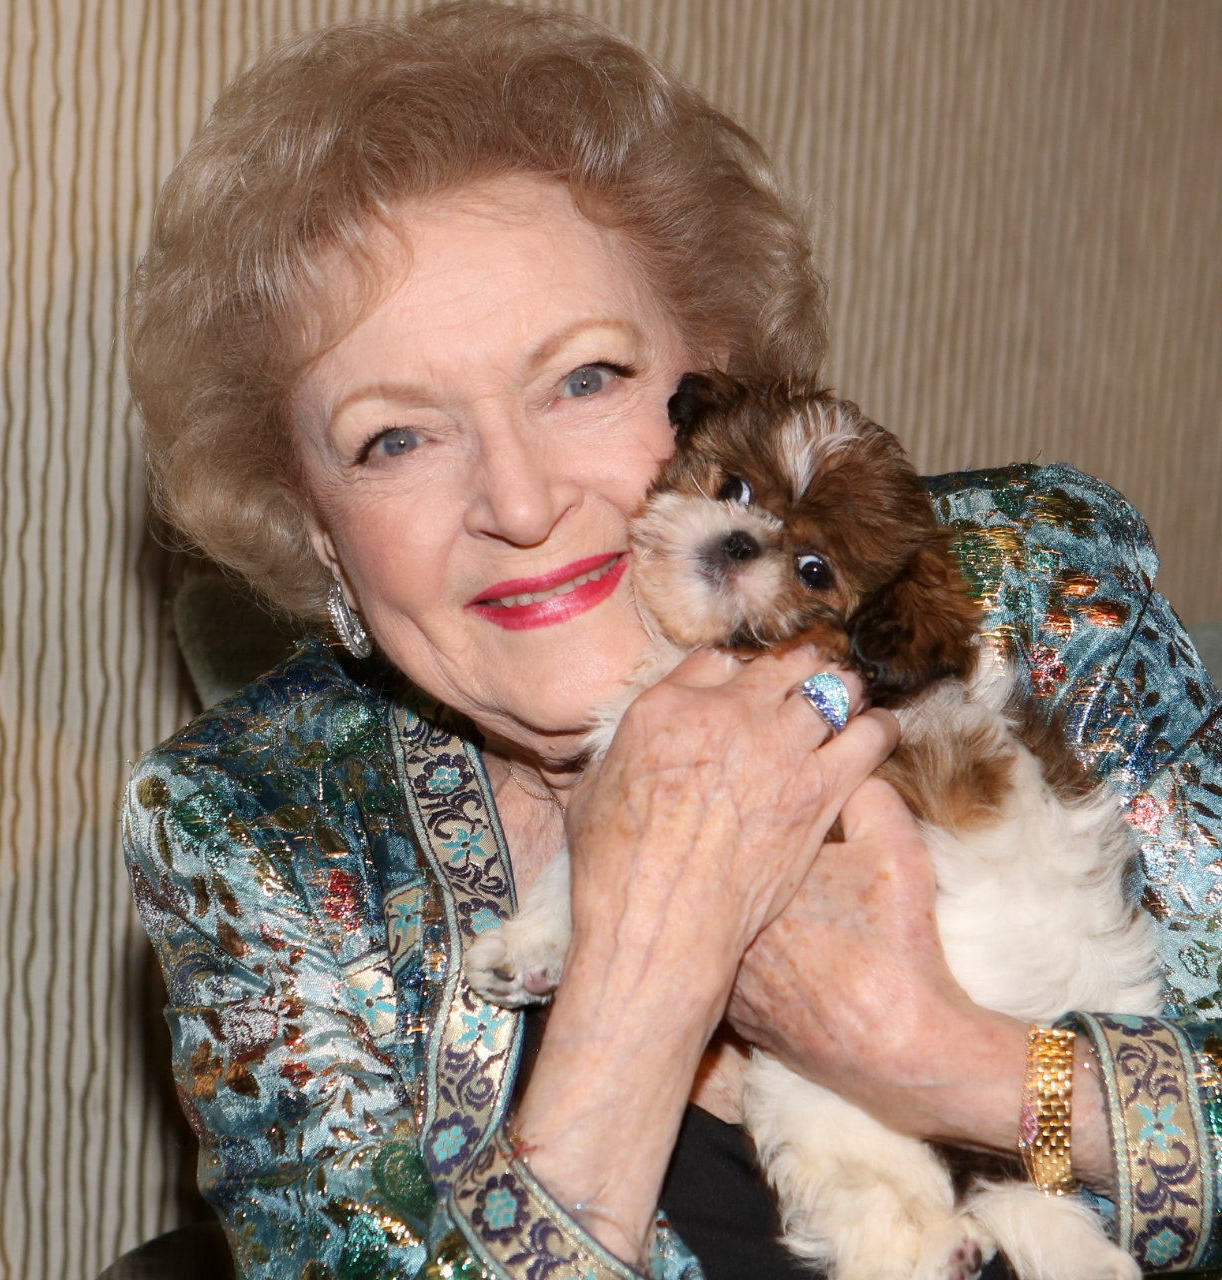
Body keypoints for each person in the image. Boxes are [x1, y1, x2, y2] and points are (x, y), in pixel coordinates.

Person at [122, 5, 1222, 1278]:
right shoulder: (258, 832)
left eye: (582, 377)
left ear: (715, 378)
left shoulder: (1023, 596)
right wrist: (641, 972)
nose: (521, 501)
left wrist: (930, 1053)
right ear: (316, 527)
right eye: (395, 438)